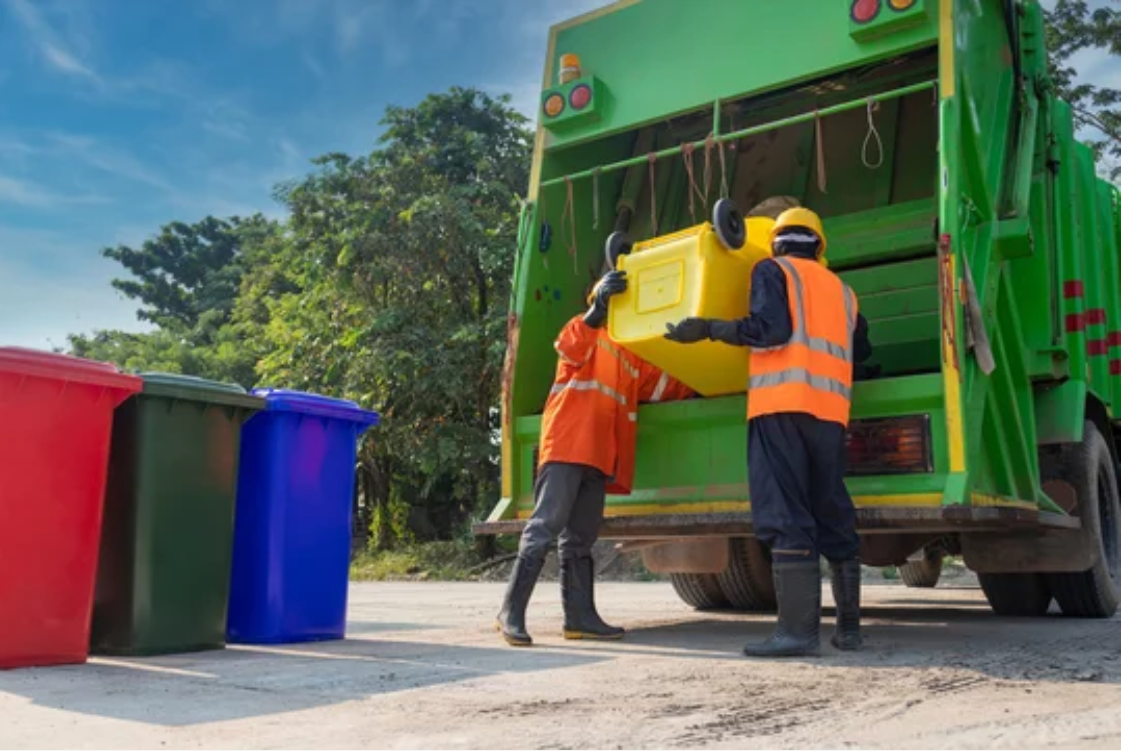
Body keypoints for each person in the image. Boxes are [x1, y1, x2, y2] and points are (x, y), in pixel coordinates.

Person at [665, 207, 872, 657]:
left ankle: (797, 633)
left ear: (776, 241)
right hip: (830, 413)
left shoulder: (771, 270)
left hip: (780, 408)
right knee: (832, 509)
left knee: (785, 515)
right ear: (819, 246)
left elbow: (771, 330)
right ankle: (850, 629)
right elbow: (863, 349)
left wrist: (708, 329)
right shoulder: (844, 292)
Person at [497, 268, 694, 647]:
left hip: (599, 455)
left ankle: (581, 619)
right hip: (568, 446)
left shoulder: (631, 356)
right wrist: (595, 310)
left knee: (580, 539)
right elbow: (569, 345)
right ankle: (511, 612)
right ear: (599, 300)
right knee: (545, 526)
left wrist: (692, 343)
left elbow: (669, 385)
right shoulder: (583, 331)